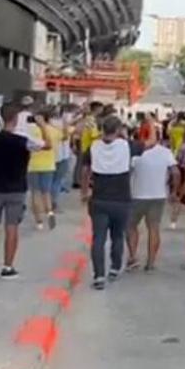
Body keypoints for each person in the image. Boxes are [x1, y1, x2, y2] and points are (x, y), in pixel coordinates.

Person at [0, 103, 45, 280]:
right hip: (17, 188)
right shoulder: (23, 141)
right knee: (11, 227)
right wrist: (42, 126)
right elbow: (46, 145)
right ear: (16, 119)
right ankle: (7, 267)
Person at [80, 116, 133, 289]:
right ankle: (115, 268)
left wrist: (84, 191)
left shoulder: (94, 147)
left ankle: (99, 276)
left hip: (99, 198)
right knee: (117, 236)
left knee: (98, 238)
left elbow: (85, 169)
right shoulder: (126, 146)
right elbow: (151, 142)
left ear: (102, 129)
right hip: (121, 199)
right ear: (118, 130)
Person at [126, 129, 177, 271]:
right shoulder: (166, 152)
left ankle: (133, 256)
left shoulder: (135, 154)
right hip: (158, 195)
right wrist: (174, 191)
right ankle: (151, 262)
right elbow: (175, 172)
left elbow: (128, 172)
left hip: (137, 195)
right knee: (154, 229)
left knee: (130, 227)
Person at [26, 111, 58, 230]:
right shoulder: (53, 131)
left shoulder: (29, 132)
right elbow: (63, 138)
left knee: (35, 193)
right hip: (48, 165)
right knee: (46, 192)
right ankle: (49, 212)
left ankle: (39, 222)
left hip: (33, 165)